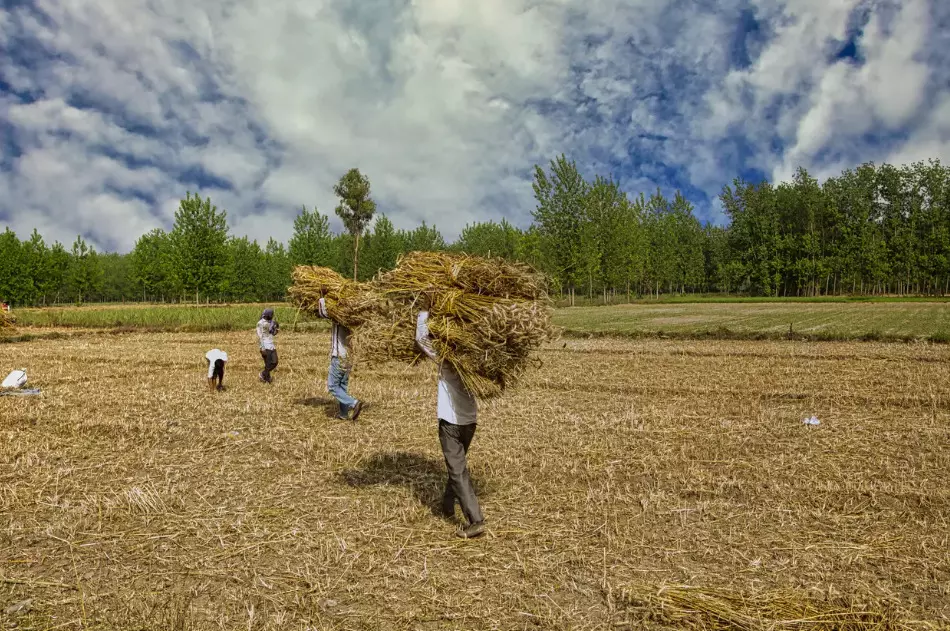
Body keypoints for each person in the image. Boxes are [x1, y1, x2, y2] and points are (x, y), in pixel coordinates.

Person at [415, 309, 485, 539]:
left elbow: (421, 339)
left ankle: (475, 520)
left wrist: (424, 311)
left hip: (451, 421)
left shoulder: (445, 359)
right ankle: (446, 504)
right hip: (470, 420)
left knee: (457, 470)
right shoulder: (474, 361)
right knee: (456, 466)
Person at [317, 297, 363, 420]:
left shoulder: (339, 318)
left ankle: (354, 403)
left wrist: (322, 297)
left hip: (339, 356)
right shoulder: (354, 320)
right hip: (349, 357)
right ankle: (343, 414)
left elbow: (322, 312)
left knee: (332, 386)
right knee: (342, 385)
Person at [257, 308, 279, 383]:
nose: (272, 316)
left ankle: (263, 374)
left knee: (275, 362)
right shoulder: (260, 323)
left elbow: (273, 333)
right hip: (265, 346)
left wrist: (277, 329)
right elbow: (260, 337)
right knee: (268, 363)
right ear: (268, 315)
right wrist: (262, 348)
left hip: (271, 345)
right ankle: (266, 378)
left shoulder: (272, 322)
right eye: (271, 314)